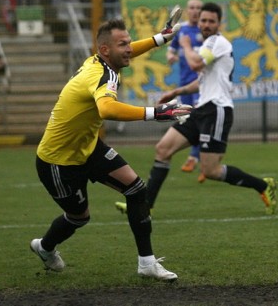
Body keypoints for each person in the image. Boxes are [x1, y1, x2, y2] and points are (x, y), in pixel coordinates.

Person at [30, 15, 187, 279]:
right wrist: (155, 113)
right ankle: (44, 248)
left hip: (89, 148)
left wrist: (160, 38)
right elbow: (106, 108)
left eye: (129, 42)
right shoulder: (102, 73)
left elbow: (125, 52)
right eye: (123, 44)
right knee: (79, 218)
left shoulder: (100, 60)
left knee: (137, 190)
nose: (129, 49)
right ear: (105, 50)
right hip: (58, 161)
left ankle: (146, 264)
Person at [115, 3, 277, 216]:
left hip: (217, 110)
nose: (207, 24)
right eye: (204, 20)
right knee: (163, 149)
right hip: (202, 109)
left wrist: (185, 45)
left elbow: (196, 65)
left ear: (219, 24)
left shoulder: (217, 42)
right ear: (198, 22)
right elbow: (202, 79)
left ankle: (262, 186)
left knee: (210, 171)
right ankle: (145, 206)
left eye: (211, 21)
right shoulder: (207, 45)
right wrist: (175, 92)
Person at [166, 0, 203, 176]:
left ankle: (194, 156)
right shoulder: (182, 31)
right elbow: (171, 50)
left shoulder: (206, 31)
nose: (195, 11)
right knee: (188, 119)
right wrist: (170, 57)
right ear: (187, 10)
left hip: (201, 84)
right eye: (192, 8)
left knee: (198, 118)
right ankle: (205, 158)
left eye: (198, 8)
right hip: (184, 84)